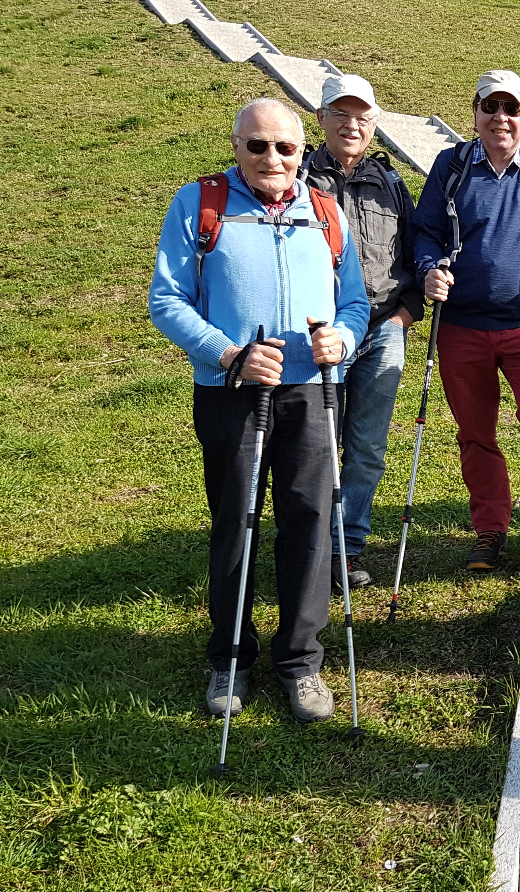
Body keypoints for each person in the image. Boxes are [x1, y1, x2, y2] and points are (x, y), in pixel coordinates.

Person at [149, 98, 369, 722]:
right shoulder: (200, 204)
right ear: (236, 146)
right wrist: (229, 355)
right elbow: (167, 300)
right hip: (232, 393)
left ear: (302, 152)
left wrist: (342, 340)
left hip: (311, 392)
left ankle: (301, 661)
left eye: (285, 147)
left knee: (310, 523)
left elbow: (354, 303)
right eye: (257, 145)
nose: (272, 158)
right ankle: (230, 658)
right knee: (236, 523)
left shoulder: (324, 211)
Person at [412, 69, 520, 571]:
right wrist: (429, 268)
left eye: (511, 108)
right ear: (475, 113)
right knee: (475, 431)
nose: (500, 117)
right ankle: (490, 529)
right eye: (490, 107)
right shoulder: (452, 165)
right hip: (462, 325)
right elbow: (426, 231)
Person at [299, 74, 424, 589]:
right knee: (317, 444)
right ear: (321, 118)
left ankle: (346, 548)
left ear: (374, 125)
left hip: (381, 330)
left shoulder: (391, 183)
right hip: (319, 336)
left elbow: (416, 254)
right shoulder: (297, 178)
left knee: (367, 447)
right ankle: (310, 548)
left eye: (362, 117)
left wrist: (403, 317)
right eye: (341, 115)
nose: (352, 125)